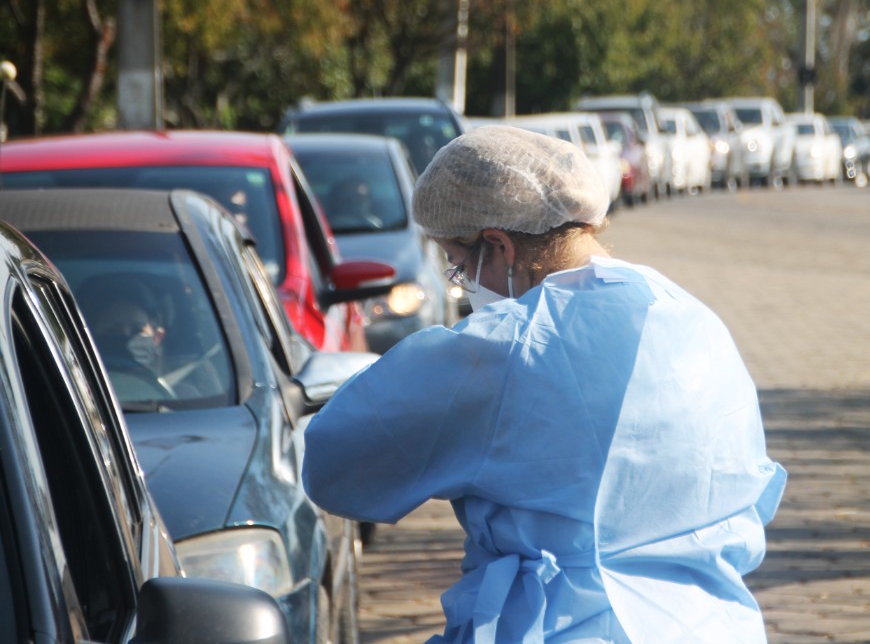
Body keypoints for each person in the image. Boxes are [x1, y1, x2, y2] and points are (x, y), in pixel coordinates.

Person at [302, 125, 786, 643]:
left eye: (461, 267)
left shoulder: (501, 348)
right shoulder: (694, 321)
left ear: (499, 245)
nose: (463, 286)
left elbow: (334, 461)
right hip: (714, 624)